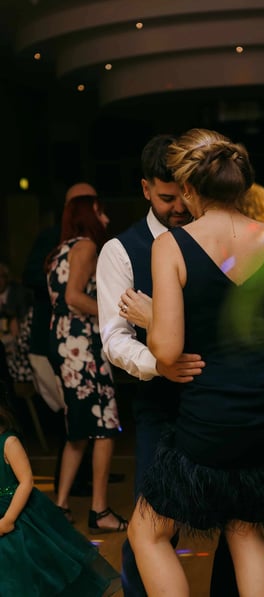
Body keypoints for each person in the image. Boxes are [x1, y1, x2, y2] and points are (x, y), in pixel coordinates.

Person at [119, 127, 264, 596]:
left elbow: (167, 352)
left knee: (145, 532)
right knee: (246, 531)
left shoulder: (171, 246)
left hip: (211, 412)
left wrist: (152, 317)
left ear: (188, 189)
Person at [96, 133, 238, 597]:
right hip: (163, 407)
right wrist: (161, 365)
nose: (179, 207)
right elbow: (114, 338)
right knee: (152, 528)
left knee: (236, 525)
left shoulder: (220, 238)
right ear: (144, 189)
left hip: (223, 400)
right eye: (166, 197)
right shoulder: (120, 251)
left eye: (185, 195)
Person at [46, 194, 127, 532]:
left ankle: (61, 505)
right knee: (105, 425)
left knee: (78, 426)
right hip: (82, 344)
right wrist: (114, 313)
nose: (106, 218)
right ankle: (99, 511)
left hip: (66, 341)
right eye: (101, 211)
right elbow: (74, 297)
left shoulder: (59, 251)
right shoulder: (87, 247)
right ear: (89, 214)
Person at [0, 378, 121, 596]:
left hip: (19, 517)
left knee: (29, 571)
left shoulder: (8, 443)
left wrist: (8, 520)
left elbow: (26, 481)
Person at [23, 182, 99, 496]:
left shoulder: (83, 243)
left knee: (82, 413)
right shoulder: (56, 242)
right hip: (57, 336)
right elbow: (31, 276)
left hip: (70, 336)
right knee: (70, 413)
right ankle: (69, 487)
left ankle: (81, 482)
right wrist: (63, 292)